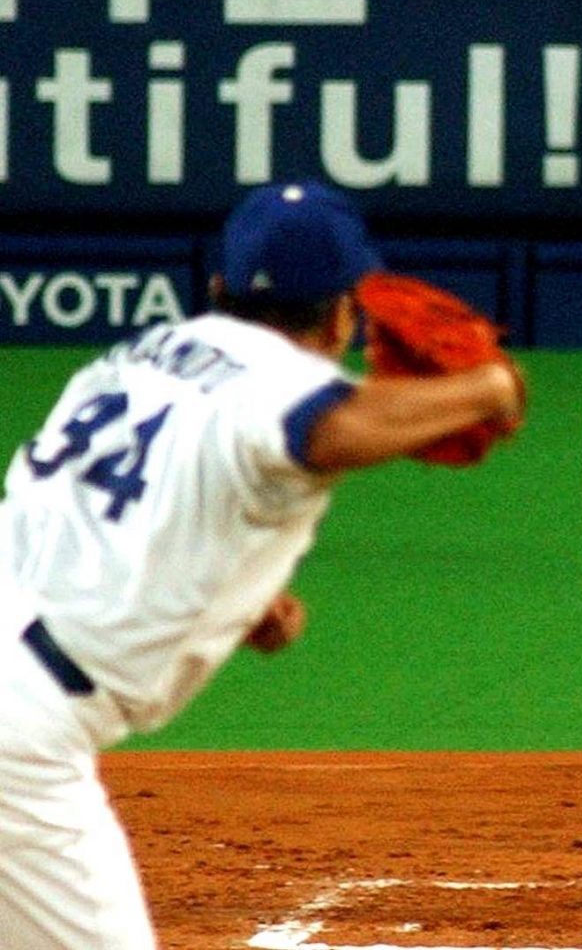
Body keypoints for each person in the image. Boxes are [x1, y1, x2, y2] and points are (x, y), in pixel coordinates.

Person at [0, 181, 524, 949]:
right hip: (22, 738)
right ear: (344, 312)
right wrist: (489, 387)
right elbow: (326, 427)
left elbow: (91, 509)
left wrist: (235, 601)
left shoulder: (129, 360)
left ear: (218, 289)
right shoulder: (287, 384)